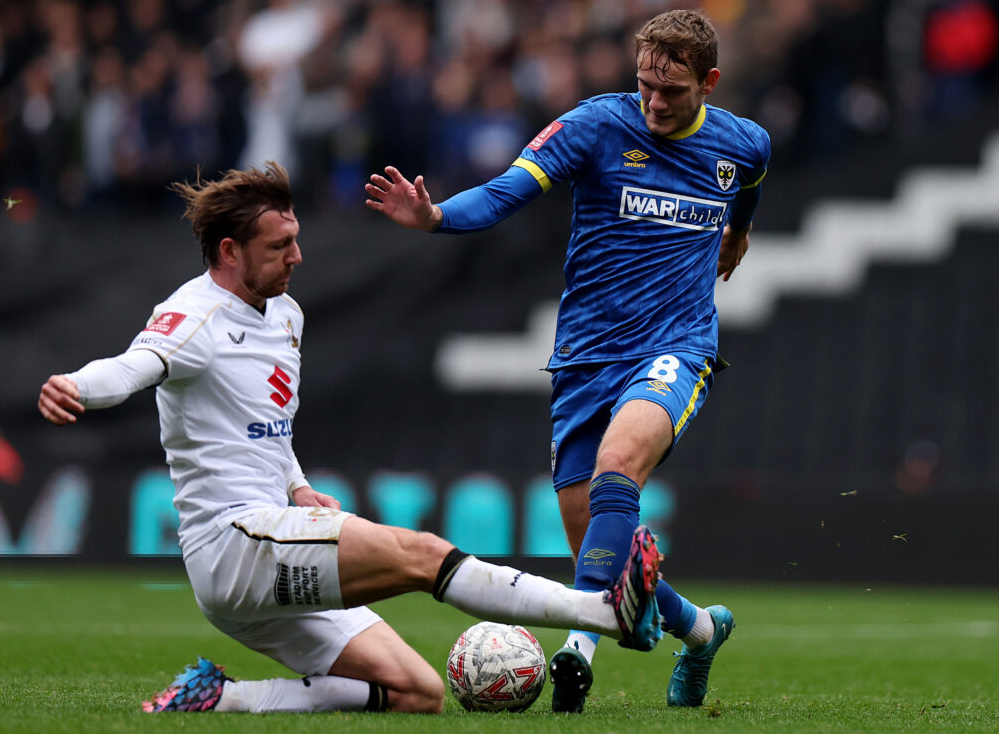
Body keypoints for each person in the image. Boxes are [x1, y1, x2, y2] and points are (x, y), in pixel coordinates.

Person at [36, 162, 664, 715]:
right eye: (280, 245)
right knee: (420, 555)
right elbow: (131, 366)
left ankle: (222, 696)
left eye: (297, 240)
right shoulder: (193, 315)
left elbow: (269, 426)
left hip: (270, 539)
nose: (297, 257)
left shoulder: (285, 313)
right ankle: (601, 612)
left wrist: (298, 486)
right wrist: (76, 386)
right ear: (229, 251)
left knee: (417, 693)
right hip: (233, 544)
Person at [365, 9, 770, 712]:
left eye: (671, 91)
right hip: (585, 356)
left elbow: (751, 181)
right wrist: (435, 218)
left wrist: (738, 227)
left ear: (708, 82)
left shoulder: (746, 143)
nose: (654, 102)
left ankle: (576, 652)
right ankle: (702, 631)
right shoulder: (595, 126)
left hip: (676, 345)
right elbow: (505, 192)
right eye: (644, 84)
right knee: (597, 549)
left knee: (620, 468)